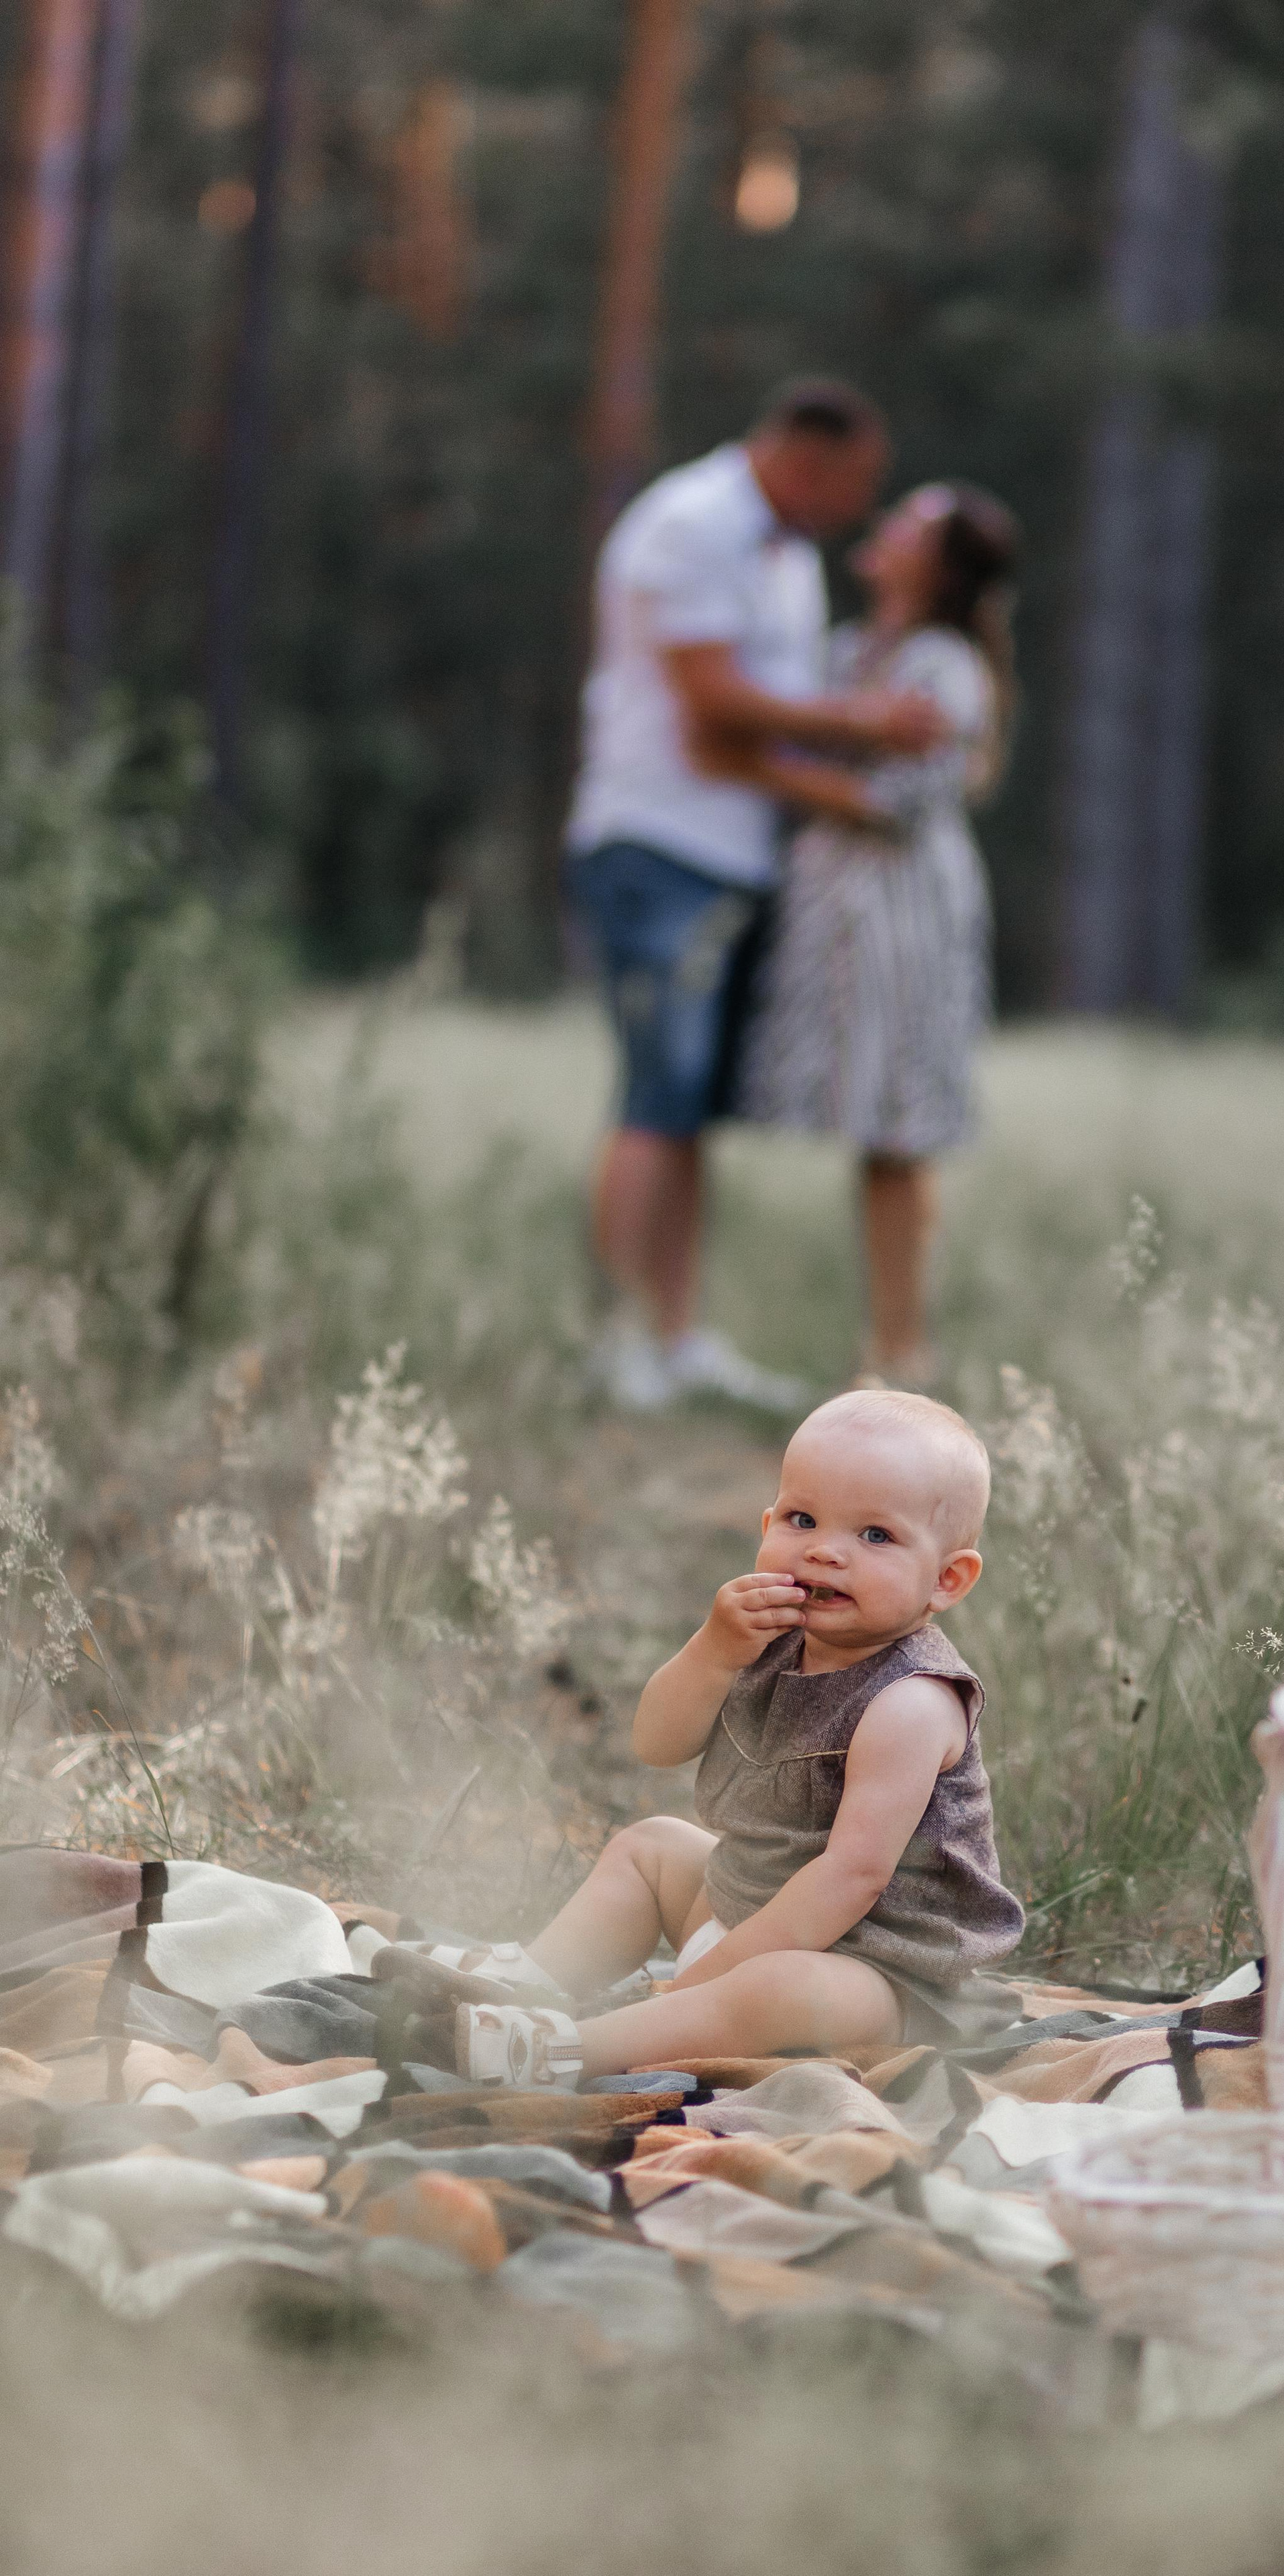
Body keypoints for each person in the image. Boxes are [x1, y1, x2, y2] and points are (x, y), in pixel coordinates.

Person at [442, 1389, 1025, 2083]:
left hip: (884, 1973)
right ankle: (528, 1981)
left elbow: (852, 1879)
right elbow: (656, 1744)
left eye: (875, 1536)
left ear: (947, 1579)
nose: (824, 1552)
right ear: (767, 1521)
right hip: (747, 1904)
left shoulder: (912, 1702)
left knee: (775, 1993)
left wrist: (711, 1975)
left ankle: (565, 2049)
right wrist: (713, 1651)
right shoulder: (764, 1638)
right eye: (802, 1519)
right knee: (650, 1847)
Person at [568, 380, 947, 1413]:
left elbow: (760, 725)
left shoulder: (785, 556)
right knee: (654, 1095)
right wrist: (866, 731)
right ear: (807, 458)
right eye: (858, 481)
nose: (861, 506)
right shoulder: (695, 526)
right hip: (659, 843)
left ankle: (677, 1336)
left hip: (733, 851)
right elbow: (714, 703)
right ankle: (615, 1342)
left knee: (690, 1109)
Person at [737, 483, 1019, 1386]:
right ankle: (889, 1343)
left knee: (897, 1128)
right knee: (872, 1124)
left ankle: (900, 1347)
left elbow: (900, 803)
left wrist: (756, 763)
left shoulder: (943, 667)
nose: (884, 528)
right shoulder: (853, 651)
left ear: (936, 568)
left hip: (904, 912)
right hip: (842, 908)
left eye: (909, 526)